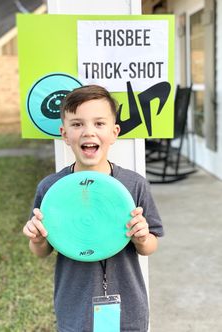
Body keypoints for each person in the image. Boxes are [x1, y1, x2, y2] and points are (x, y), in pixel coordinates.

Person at [23, 85, 164, 332]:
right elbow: (41, 251)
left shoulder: (134, 185)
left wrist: (142, 238)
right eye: (77, 124)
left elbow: (150, 245)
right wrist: (36, 239)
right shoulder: (51, 189)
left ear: (114, 132)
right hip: (74, 308)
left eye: (99, 123)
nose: (89, 132)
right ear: (64, 134)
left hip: (128, 308)